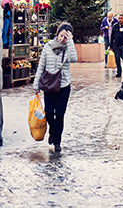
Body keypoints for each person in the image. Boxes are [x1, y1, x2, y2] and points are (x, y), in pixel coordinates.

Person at [33, 22, 78, 153]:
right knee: (48, 114)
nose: (62, 39)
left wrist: (70, 42)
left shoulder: (68, 48)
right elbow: (41, 66)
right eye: (61, 35)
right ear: (57, 33)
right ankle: (53, 131)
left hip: (63, 85)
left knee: (59, 114)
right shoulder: (48, 47)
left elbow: (74, 59)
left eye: (65, 37)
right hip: (49, 86)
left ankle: (57, 141)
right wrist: (36, 84)